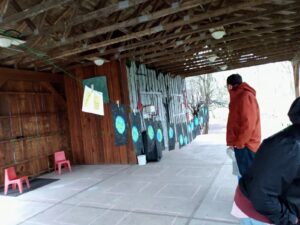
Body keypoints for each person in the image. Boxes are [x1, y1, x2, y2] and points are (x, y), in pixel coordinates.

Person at [232, 97, 300, 225]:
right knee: (250, 177)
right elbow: (245, 124)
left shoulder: (243, 97)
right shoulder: (291, 146)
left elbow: (246, 124)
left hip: (248, 145)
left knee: (252, 175)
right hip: (260, 208)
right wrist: (291, 220)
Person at [226, 74, 261, 176]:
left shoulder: (245, 96)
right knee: (242, 176)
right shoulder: (238, 97)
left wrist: (239, 143)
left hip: (247, 146)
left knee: (248, 179)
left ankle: (248, 192)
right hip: (241, 145)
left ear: (229, 86)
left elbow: (248, 124)